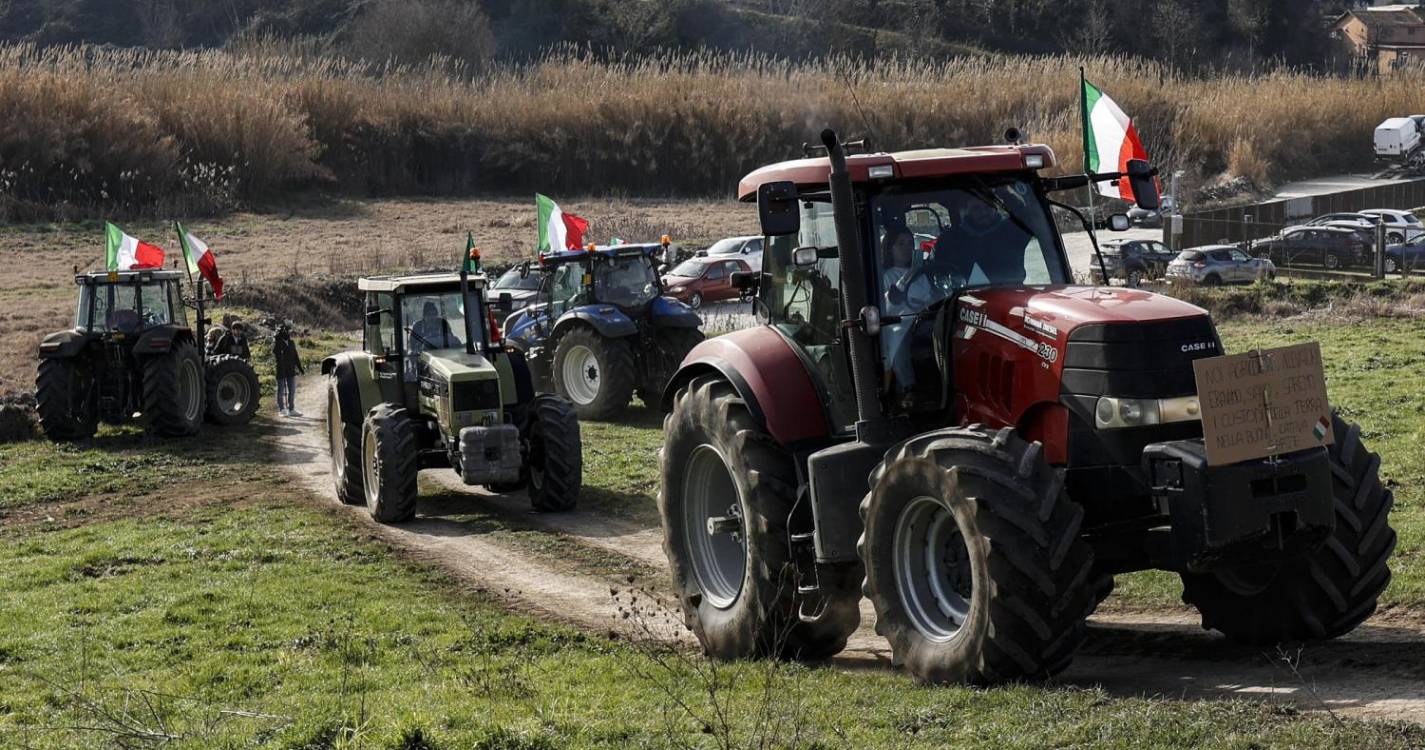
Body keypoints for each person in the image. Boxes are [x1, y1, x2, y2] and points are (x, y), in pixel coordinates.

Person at [879, 228, 933, 389]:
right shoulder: (886, 276)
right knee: (898, 337)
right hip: (899, 324)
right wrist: (909, 274)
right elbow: (888, 307)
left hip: (924, 322)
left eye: (910, 243)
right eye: (901, 244)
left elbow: (931, 299)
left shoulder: (923, 277)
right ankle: (909, 387)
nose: (907, 248)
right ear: (890, 249)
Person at [273, 324, 304, 417]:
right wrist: (277, 340)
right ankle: (282, 409)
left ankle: (291, 409)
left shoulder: (291, 343)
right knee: (281, 390)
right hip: (281, 369)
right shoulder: (278, 343)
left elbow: (295, 356)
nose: (289, 333)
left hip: (290, 370)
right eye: (288, 331)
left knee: (292, 390)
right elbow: (275, 352)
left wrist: (300, 368)